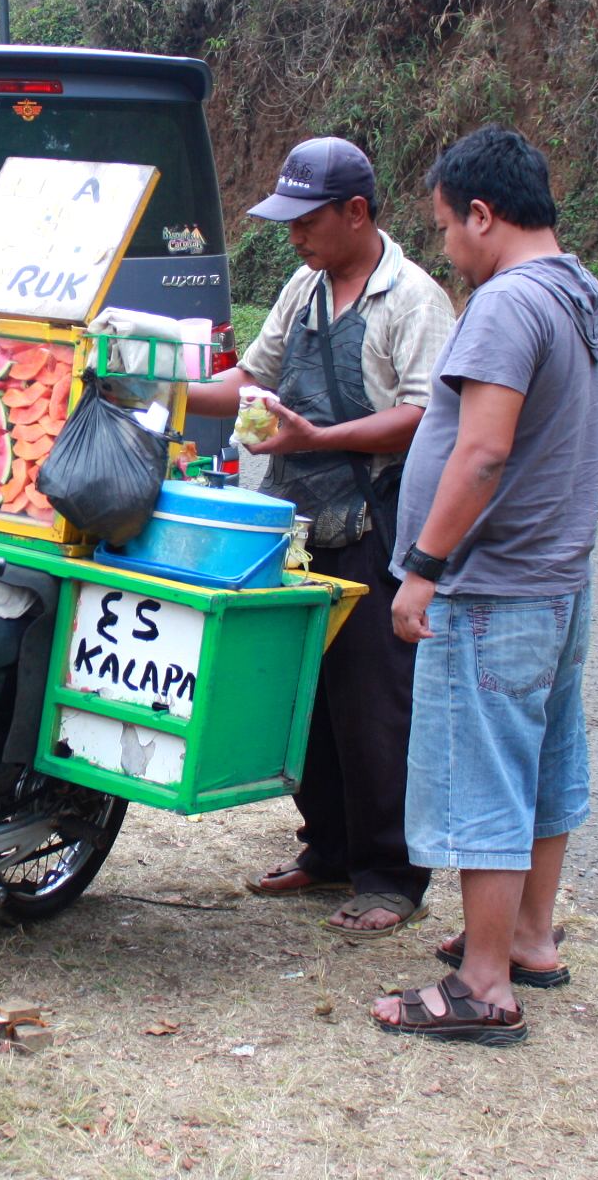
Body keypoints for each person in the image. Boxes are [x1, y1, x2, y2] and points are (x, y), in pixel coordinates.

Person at [371, 124, 598, 1045]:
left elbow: (481, 452)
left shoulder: (509, 303)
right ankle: (527, 937)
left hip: (496, 582)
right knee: (544, 762)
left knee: (484, 773)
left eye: (445, 228)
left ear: (483, 213)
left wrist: (425, 570)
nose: (445, 248)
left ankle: (483, 988)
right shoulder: (580, 289)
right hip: (557, 579)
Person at [190, 136, 453, 937]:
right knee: (303, 700)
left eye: (307, 221)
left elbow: (425, 416)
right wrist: (160, 387)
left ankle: (391, 875)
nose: (294, 236)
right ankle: (328, 847)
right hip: (297, 522)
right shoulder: (303, 289)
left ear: (357, 213)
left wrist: (318, 441)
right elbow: (250, 381)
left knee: (374, 708)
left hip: (375, 523)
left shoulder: (413, 300)